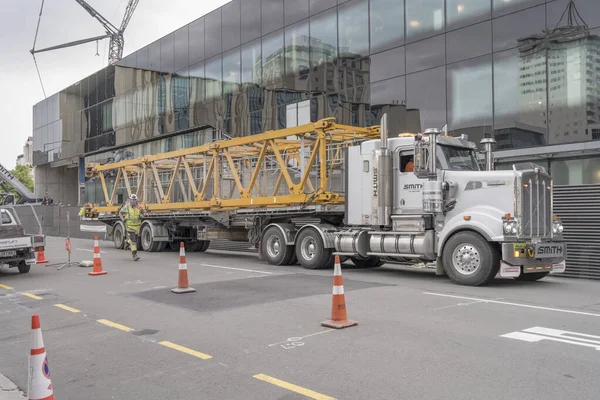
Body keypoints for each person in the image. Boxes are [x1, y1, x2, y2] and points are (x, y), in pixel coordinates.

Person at [119, 194, 145, 261]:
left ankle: (127, 242)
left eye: (135, 200)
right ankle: (134, 255)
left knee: (133, 239)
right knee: (134, 241)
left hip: (137, 227)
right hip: (129, 226)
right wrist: (122, 219)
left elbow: (144, 213)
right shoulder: (127, 207)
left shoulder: (139, 207)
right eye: (132, 200)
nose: (133, 201)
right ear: (130, 200)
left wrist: (142, 215)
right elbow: (120, 213)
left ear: (136, 200)